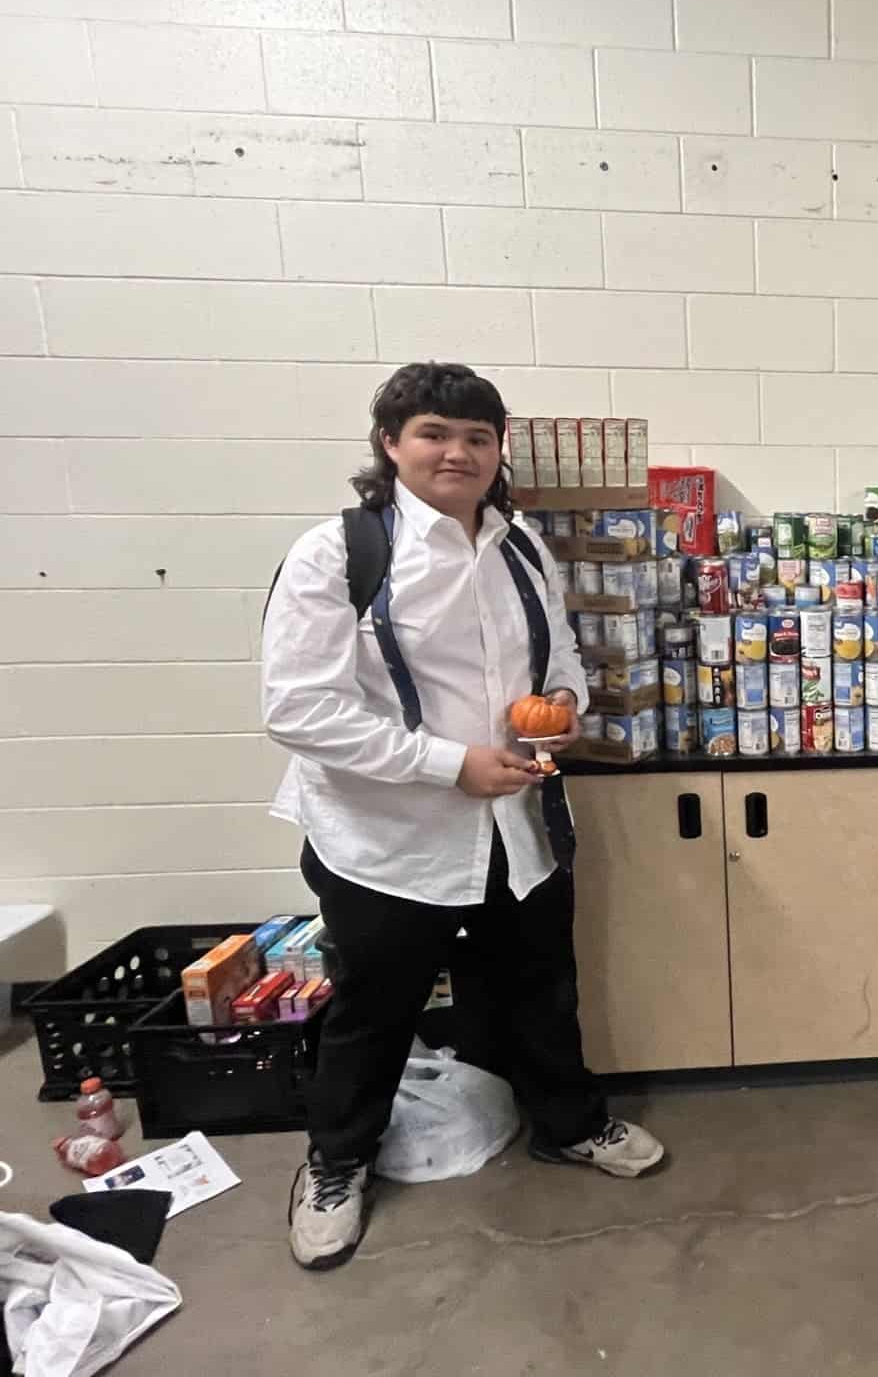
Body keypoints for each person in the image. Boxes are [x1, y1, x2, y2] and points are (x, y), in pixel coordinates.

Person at [263, 363, 665, 1272]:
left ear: (498, 451)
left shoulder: (522, 545)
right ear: (390, 445)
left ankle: (569, 1124)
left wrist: (562, 703)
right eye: (436, 433)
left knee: (539, 986)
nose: (458, 452)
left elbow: (559, 656)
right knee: (375, 1008)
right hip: (384, 840)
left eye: (478, 437)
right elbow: (299, 709)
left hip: (516, 827)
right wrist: (449, 766)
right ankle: (335, 1165)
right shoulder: (337, 555)